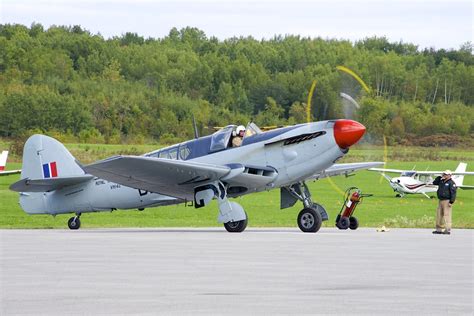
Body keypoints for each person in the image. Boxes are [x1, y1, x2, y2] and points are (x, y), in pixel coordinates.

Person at [432, 170, 457, 235]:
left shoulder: (451, 183)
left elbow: (453, 193)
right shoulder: (441, 181)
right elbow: (434, 183)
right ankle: (438, 229)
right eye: (444, 174)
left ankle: (447, 229)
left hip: (447, 200)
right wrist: (439, 177)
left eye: (446, 174)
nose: (444, 175)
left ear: (450, 175)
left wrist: (451, 202)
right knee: (439, 215)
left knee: (447, 215)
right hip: (440, 200)